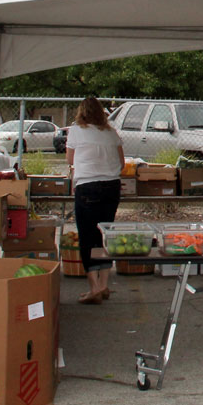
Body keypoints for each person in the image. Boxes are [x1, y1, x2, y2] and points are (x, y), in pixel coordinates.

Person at [67, 96, 125, 304]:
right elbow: (121, 163)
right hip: (111, 186)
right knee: (104, 234)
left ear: (81, 112)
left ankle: (93, 288)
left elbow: (69, 160)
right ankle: (104, 284)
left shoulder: (75, 130)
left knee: (87, 236)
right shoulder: (111, 133)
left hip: (87, 186)